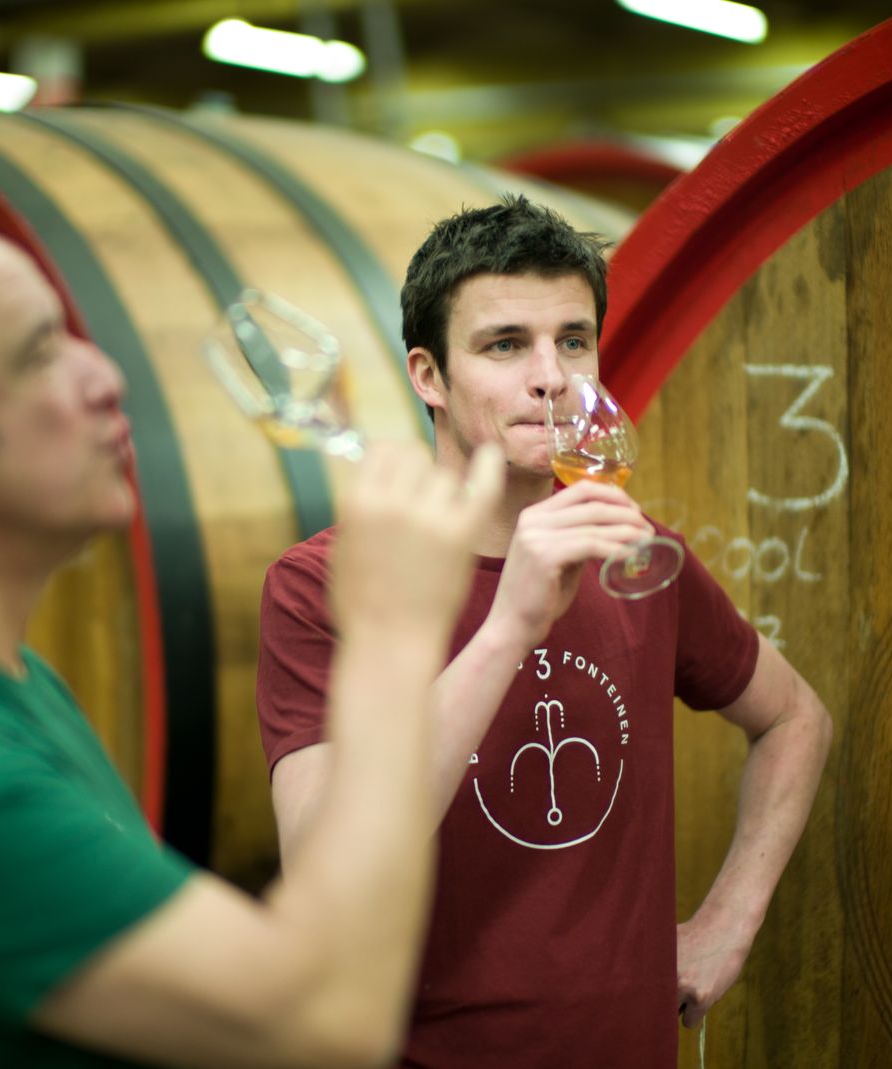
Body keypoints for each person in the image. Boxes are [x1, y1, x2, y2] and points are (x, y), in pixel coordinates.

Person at [0, 219, 505, 1069]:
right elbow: (322, 1023)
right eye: (41, 349)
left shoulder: (11, 683)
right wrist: (389, 634)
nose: (108, 376)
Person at [256, 195, 833, 1068]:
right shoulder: (321, 586)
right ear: (428, 376)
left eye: (573, 340)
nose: (551, 376)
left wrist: (728, 919)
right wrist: (508, 624)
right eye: (504, 345)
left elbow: (796, 719)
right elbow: (319, 865)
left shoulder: (636, 553)